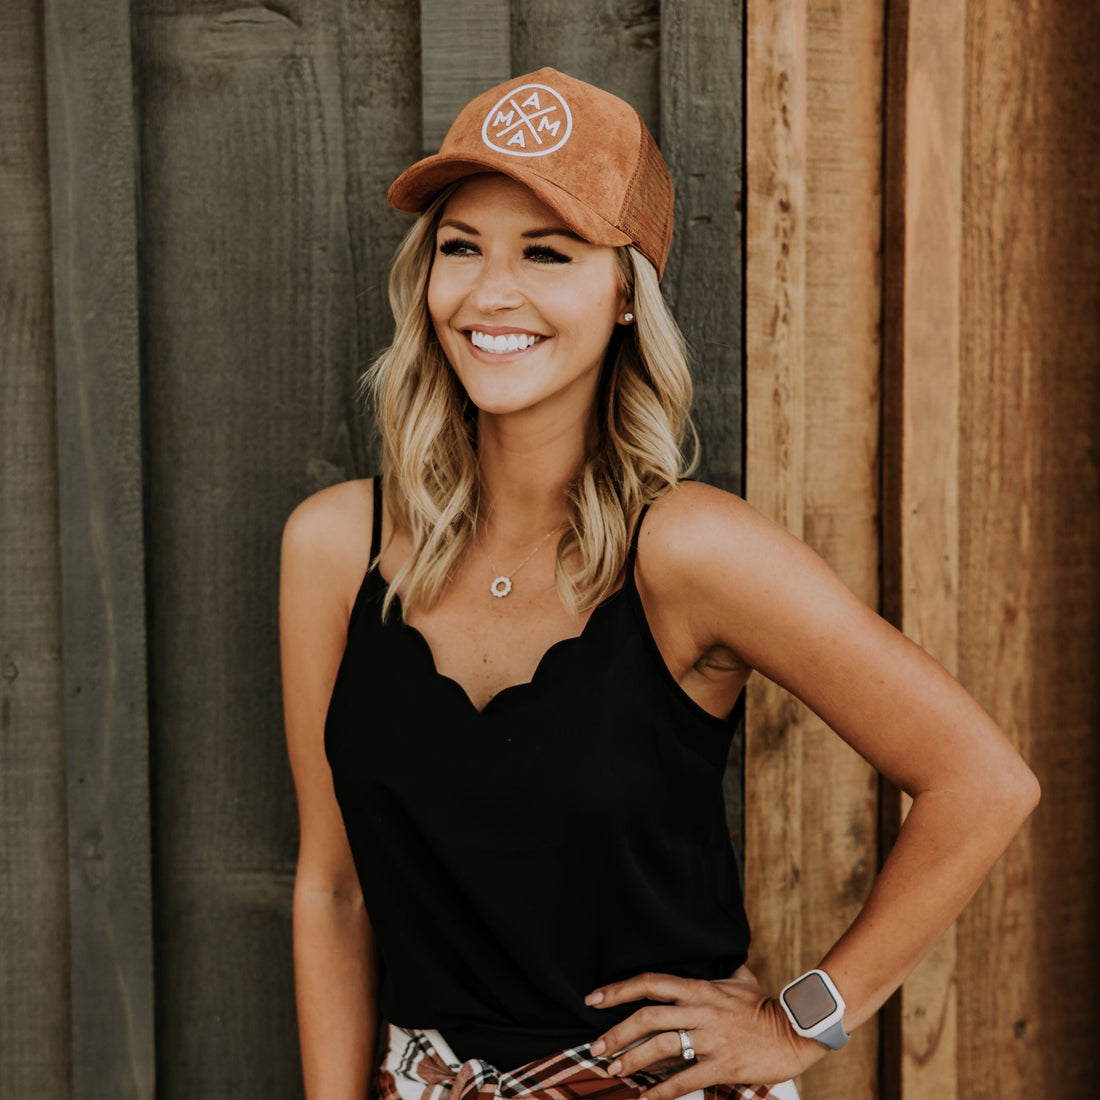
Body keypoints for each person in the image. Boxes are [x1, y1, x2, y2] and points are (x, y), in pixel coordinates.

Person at [279, 68, 1039, 1100]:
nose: (490, 292)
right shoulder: (335, 546)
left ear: (624, 291)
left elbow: (981, 781)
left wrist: (801, 1018)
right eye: (462, 246)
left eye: (546, 252)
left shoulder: (688, 551)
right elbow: (333, 888)